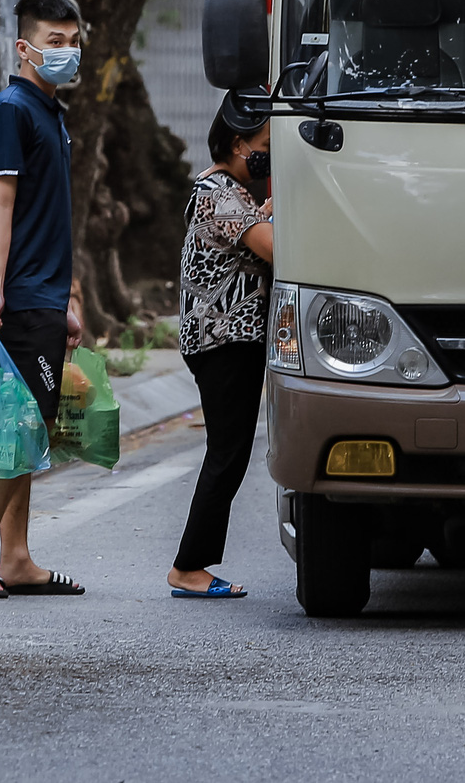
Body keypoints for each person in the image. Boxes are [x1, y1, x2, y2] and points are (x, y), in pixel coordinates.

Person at [0, 0, 87, 599]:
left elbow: (56, 216)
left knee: (28, 423)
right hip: (21, 294)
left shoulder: (50, 111)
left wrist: (73, 296)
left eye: (73, 40)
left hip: (46, 292)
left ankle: (17, 556)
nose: (66, 52)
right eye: (54, 42)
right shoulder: (10, 111)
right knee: (21, 424)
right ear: (24, 47)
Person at [168, 90, 274, 598]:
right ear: (238, 144)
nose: (269, 155)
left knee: (228, 452)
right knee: (227, 454)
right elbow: (275, 248)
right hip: (224, 338)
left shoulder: (225, 190)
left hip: (222, 338)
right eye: (265, 145)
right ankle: (189, 568)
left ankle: (192, 564)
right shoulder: (221, 194)